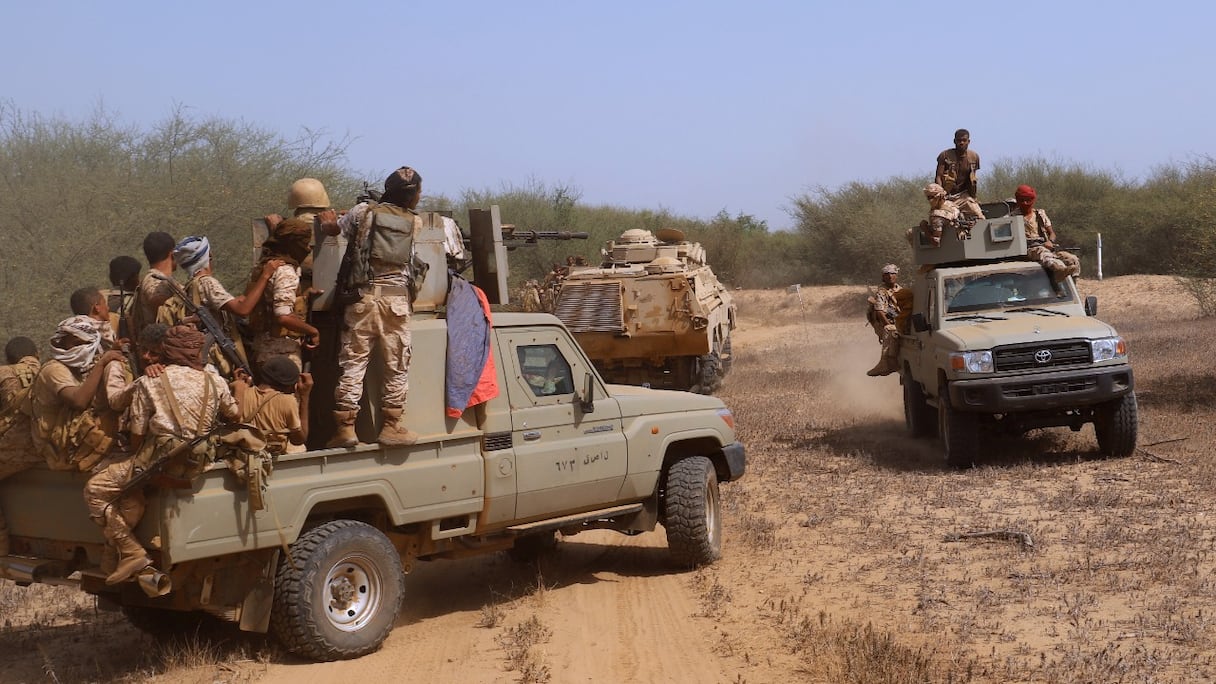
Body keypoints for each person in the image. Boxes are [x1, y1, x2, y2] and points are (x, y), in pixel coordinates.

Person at [83, 324, 240, 586]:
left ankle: (130, 550)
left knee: (96, 489)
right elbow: (235, 416)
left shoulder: (150, 381)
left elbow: (136, 435)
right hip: (198, 465)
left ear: (166, 351)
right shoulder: (216, 381)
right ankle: (115, 555)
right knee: (131, 494)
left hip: (158, 465)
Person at [317, 166, 425, 447]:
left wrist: (330, 218)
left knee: (353, 362)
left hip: (363, 299)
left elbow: (333, 230)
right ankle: (391, 426)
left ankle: (345, 429)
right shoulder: (416, 222)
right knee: (397, 365)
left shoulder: (363, 212)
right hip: (397, 301)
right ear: (413, 197)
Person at [162, 235, 282, 376]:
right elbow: (243, 309)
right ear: (208, 255)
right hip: (212, 361)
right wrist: (265, 276)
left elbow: (238, 301)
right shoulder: (207, 282)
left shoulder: (191, 285)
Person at [29, 315, 126, 472]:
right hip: (56, 444)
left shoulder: (78, 366)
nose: (80, 348)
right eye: (75, 343)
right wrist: (102, 364)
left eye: (85, 343)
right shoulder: (53, 369)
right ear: (62, 342)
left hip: (68, 430)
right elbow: (79, 401)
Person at [247, 218, 320, 372]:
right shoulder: (285, 271)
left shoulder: (264, 265)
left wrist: (304, 297)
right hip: (282, 352)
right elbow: (283, 316)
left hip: (262, 348)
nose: (308, 249)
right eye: (305, 243)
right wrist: (312, 331)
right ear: (294, 245)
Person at [0, 337, 42, 556]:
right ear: (37, 354)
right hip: (49, 448)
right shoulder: (53, 371)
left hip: (17, 449)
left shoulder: (4, 373)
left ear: (10, 359)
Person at [232, 357, 312, 455]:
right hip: (271, 459)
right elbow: (298, 440)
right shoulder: (287, 401)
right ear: (289, 384)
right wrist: (305, 395)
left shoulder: (242, 393)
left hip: (243, 457)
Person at [1013, 185, 1081, 282]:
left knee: (1073, 259)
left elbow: (1052, 233)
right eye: (1022, 200)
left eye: (1028, 200)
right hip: (1028, 250)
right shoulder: (1011, 218)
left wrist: (1050, 241)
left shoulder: (1040, 214)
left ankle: (1072, 285)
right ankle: (1057, 271)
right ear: (1018, 200)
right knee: (1041, 252)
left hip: (1046, 247)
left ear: (1033, 200)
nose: (1025, 203)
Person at [866, 264, 904, 377]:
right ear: (883, 277)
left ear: (896, 276)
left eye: (892, 274)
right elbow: (880, 312)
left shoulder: (900, 290)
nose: (890, 276)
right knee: (890, 330)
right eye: (887, 275)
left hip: (901, 319)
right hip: (889, 322)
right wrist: (888, 324)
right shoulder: (881, 292)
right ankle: (885, 363)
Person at [935, 129, 980, 199]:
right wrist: (940, 193)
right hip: (946, 195)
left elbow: (972, 180)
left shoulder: (974, 157)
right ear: (954, 141)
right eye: (959, 140)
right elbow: (938, 176)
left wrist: (973, 197)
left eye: (964, 140)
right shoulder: (945, 155)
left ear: (968, 142)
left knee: (976, 210)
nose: (961, 143)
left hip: (964, 196)